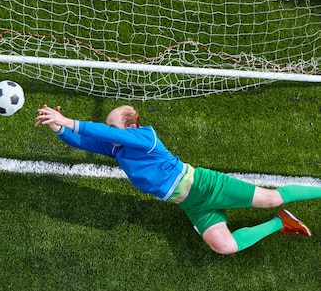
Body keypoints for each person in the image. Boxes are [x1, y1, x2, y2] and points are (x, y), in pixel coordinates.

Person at [35, 104, 320, 255]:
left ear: (131, 126)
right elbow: (86, 141)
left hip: (205, 186)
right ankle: (281, 222)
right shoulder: (119, 150)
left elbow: (108, 135)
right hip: (190, 204)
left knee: (272, 197)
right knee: (224, 246)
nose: (110, 132)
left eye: (114, 126)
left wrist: (72, 120)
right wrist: (59, 127)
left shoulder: (145, 137)